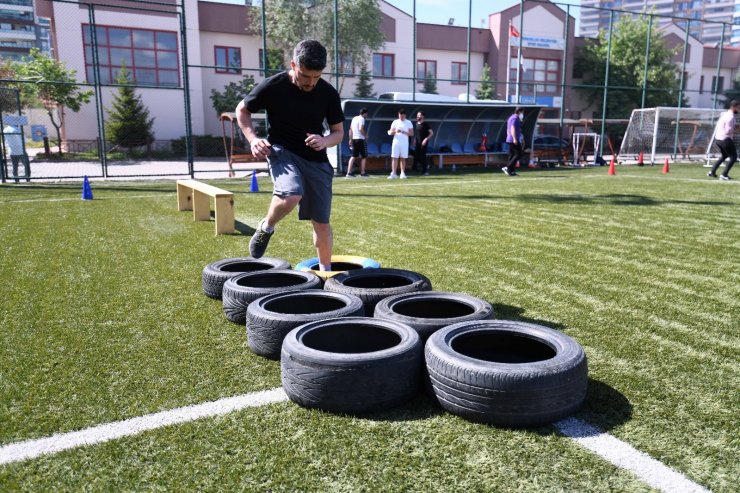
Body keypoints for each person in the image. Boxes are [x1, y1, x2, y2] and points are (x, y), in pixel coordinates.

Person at [236, 39, 344, 272]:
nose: (311, 82)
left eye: (317, 77)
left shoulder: (328, 93)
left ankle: (326, 274)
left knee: (322, 224)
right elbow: (242, 110)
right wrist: (254, 139)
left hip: (316, 160)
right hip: (282, 151)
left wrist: (324, 140)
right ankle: (267, 226)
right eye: (306, 76)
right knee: (291, 194)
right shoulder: (273, 86)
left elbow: (338, 133)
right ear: (293, 65)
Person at [707, 99, 739, 181]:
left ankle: (712, 172)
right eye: (739, 108)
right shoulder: (731, 117)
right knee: (733, 157)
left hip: (718, 139)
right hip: (725, 139)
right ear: (734, 107)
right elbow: (728, 131)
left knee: (724, 155)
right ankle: (724, 175)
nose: (739, 110)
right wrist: (738, 128)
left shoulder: (725, 114)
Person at [387, 108, 413, 179]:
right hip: (396, 142)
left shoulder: (408, 122)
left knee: (403, 158)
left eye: (402, 116)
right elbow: (390, 132)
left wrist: (403, 132)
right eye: (400, 116)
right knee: (394, 157)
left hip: (404, 143)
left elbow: (411, 133)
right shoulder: (395, 122)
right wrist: (395, 131)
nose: (401, 117)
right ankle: (393, 173)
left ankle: (402, 173)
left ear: (405, 115)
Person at [346, 107, 369, 178]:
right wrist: (366, 136)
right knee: (364, 156)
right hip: (360, 139)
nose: (367, 115)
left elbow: (350, 129)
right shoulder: (362, 119)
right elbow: (360, 129)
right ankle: (363, 172)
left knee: (353, 156)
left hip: (354, 139)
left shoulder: (354, 118)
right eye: (367, 114)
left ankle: (349, 173)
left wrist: (350, 139)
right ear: (364, 113)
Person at [503, 107, 525, 177]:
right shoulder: (515, 118)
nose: (522, 114)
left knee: (512, 155)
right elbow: (512, 128)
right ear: (519, 112)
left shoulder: (511, 117)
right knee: (519, 154)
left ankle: (511, 171)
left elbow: (507, 129)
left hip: (509, 138)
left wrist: (508, 136)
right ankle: (508, 167)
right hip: (513, 139)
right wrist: (515, 139)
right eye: (522, 113)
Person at [413, 111, 433, 176]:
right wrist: (414, 139)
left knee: (423, 157)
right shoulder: (416, 124)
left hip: (423, 143)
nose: (418, 116)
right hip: (417, 143)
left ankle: (425, 171)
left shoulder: (426, 124)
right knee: (416, 156)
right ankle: (415, 169)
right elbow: (416, 134)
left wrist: (426, 139)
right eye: (417, 115)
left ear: (422, 116)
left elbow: (431, 133)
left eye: (419, 115)